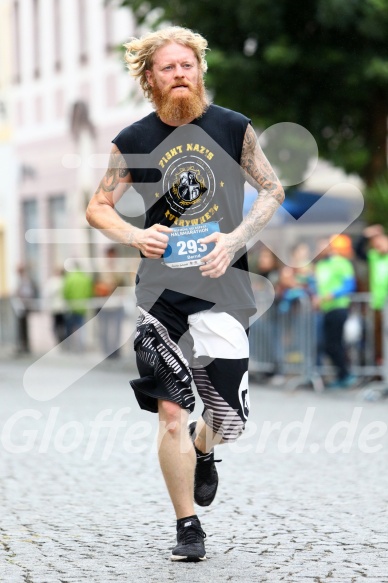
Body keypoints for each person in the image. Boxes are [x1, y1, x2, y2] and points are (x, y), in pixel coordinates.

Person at [86, 26, 284, 562]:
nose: (180, 75)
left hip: (224, 288)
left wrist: (237, 238)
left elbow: (271, 189)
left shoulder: (231, 127)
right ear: (149, 77)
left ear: (200, 71)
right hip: (162, 293)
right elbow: (98, 206)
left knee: (228, 422)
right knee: (170, 411)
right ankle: (187, 526)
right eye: (168, 67)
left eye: (188, 66)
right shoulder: (134, 140)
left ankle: (205, 448)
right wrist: (134, 235)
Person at [313, 237, 357, 389]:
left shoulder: (341, 262)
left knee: (334, 344)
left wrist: (331, 294)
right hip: (326, 309)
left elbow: (350, 285)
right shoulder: (320, 265)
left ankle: (346, 375)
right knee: (329, 344)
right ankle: (343, 375)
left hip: (339, 307)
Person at [354, 224, 388, 365]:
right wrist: (365, 234)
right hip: (378, 303)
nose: (378, 245)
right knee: (379, 338)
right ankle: (381, 369)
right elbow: (358, 250)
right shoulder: (373, 256)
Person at [94, 246, 126, 359]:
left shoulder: (120, 268)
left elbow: (124, 284)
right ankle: (106, 350)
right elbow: (96, 285)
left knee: (116, 329)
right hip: (104, 304)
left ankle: (116, 350)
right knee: (104, 329)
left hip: (117, 303)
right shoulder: (101, 268)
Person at [63, 262, 93, 351]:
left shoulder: (69, 278)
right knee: (81, 327)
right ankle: (81, 346)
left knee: (70, 327)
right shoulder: (85, 278)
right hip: (82, 307)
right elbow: (89, 292)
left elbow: (66, 292)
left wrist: (68, 301)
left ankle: (70, 346)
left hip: (71, 307)